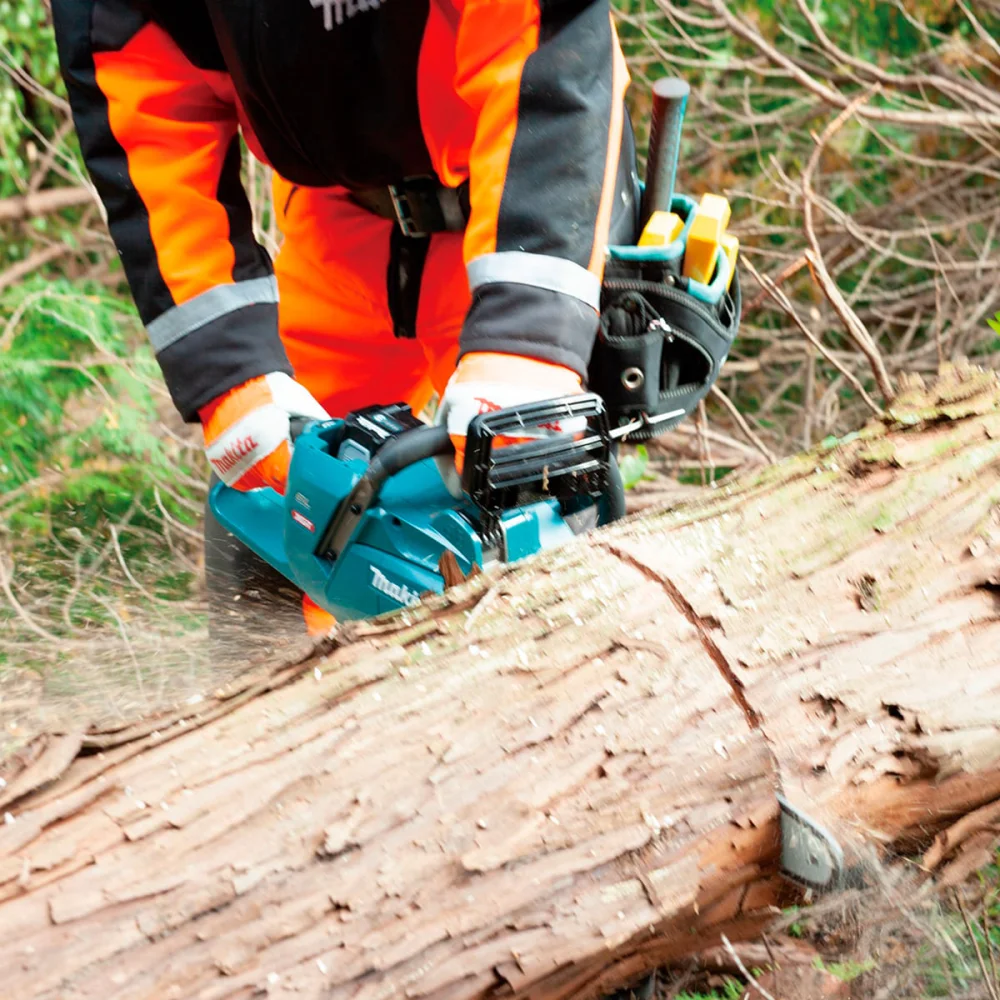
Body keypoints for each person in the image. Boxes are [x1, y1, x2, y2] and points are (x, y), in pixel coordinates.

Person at [52, 0, 641, 635]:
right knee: (278, 509)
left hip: (524, 189)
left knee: (531, 500)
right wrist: (230, 375)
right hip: (335, 217)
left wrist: (527, 340)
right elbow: (144, 100)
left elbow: (540, 33)